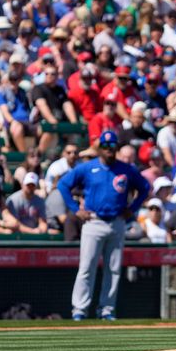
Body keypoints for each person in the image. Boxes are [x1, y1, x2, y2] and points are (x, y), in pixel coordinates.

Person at [57, 131, 149, 321]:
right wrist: (75, 209)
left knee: (113, 269)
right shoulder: (88, 168)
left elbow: (145, 188)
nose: (109, 149)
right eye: (105, 146)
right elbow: (63, 185)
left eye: (112, 146)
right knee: (86, 267)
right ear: (100, 148)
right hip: (94, 221)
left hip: (116, 222)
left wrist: (133, 209)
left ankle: (107, 309)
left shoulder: (125, 169)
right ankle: (79, 310)